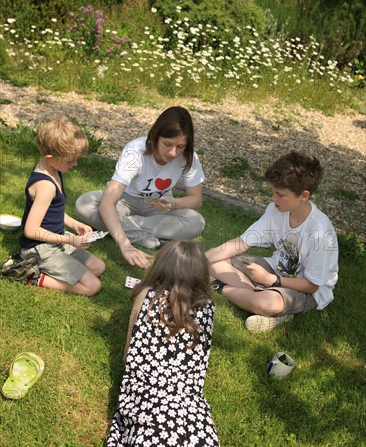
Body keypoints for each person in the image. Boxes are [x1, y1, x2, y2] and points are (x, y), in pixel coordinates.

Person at [103, 240, 221, 447]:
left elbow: (128, 355)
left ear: (161, 266)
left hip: (146, 396)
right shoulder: (208, 308)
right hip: (189, 403)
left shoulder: (145, 296)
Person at [206, 151, 338, 332]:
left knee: (268, 303)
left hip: (308, 292)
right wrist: (200, 259)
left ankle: (228, 288)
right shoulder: (276, 210)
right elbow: (241, 243)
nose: (273, 198)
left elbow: (312, 285)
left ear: (304, 196)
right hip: (273, 269)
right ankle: (259, 300)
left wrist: (272, 280)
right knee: (216, 260)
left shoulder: (319, 232)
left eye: (280, 194)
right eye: (273, 192)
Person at [75, 106, 205, 269]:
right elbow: (108, 202)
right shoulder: (136, 150)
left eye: (180, 147)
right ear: (156, 136)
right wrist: (125, 245)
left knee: (196, 222)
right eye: (167, 144)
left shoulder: (189, 157)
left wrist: (173, 202)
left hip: (159, 208)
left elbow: (196, 199)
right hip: (124, 201)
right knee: (85, 203)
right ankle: (145, 238)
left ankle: (115, 225)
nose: (173, 152)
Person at [19, 117, 106, 295]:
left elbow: (52, 212)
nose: (75, 164)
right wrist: (70, 240)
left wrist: (74, 224)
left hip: (55, 241)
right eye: (70, 161)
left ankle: (55, 269)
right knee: (93, 286)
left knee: (98, 267)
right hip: (39, 249)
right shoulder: (46, 186)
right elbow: (31, 230)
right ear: (50, 157)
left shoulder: (53, 168)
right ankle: (32, 275)